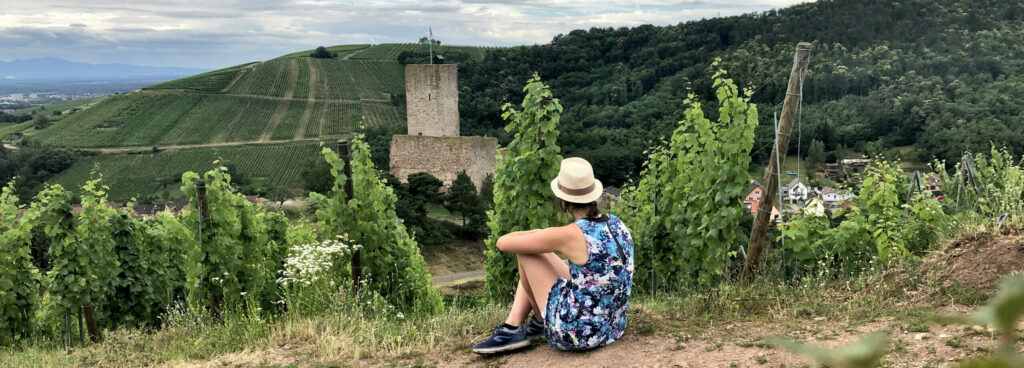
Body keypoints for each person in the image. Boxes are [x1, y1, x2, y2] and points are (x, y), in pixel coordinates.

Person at [472, 157, 634, 354]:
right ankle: (527, 325)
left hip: (579, 334)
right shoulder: (616, 223)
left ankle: (516, 326)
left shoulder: (571, 233)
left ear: (563, 201)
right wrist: (545, 235)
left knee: (526, 252)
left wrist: (541, 233)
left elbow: (503, 242)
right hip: (611, 326)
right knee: (541, 251)